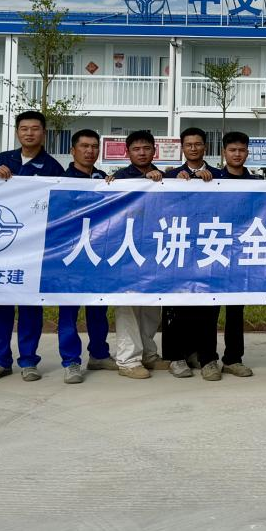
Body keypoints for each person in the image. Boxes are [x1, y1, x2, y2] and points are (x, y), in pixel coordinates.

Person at [0, 110, 64, 383]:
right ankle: (0, 361)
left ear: (44, 133)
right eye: (24, 129)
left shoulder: (53, 168)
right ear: (17, 132)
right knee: (0, 305)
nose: (29, 133)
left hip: (34, 250)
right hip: (2, 246)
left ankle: (28, 361)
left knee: (30, 306)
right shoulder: (2, 160)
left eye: (35, 129)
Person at [162, 126, 231, 381]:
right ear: (182, 147)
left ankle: (208, 358)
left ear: (205, 147)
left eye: (198, 144)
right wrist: (171, 183)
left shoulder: (219, 176)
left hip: (209, 248)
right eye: (189, 144)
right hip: (179, 248)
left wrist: (210, 183)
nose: (193, 148)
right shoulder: (170, 176)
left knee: (208, 306)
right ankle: (176, 356)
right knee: (176, 306)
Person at [106, 130, 169, 379]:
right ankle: (128, 360)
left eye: (146, 148)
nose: (142, 153)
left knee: (152, 306)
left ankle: (148, 354)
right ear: (127, 152)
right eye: (136, 149)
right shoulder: (118, 179)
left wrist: (159, 180)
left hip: (155, 249)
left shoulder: (165, 178)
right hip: (127, 250)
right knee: (128, 305)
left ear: (155, 151)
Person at [56, 128, 118, 383]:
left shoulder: (103, 178)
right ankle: (71, 361)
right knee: (69, 312)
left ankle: (99, 354)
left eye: (94, 146)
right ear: (73, 150)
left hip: (97, 255)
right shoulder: (61, 181)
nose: (90, 151)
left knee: (98, 309)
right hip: (70, 257)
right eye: (84, 146)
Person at [212, 131, 256, 377]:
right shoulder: (211, 179)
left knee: (235, 310)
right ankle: (208, 358)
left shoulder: (257, 182)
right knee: (209, 309)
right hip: (214, 250)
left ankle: (233, 359)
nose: (237, 154)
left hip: (241, 253)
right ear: (224, 153)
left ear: (247, 153)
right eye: (232, 150)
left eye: (241, 150)